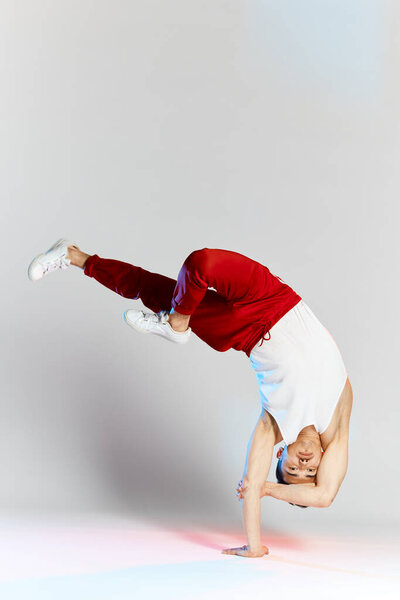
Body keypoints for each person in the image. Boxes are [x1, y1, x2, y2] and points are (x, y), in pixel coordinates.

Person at [28, 238, 353, 558]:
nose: (304, 466)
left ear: (279, 454)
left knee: (151, 289)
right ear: (322, 461)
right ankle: (176, 323)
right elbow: (324, 496)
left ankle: (73, 256)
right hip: (273, 297)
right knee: (202, 263)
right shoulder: (336, 424)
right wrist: (282, 487)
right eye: (309, 471)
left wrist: (256, 536)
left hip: (243, 332)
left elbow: (253, 485)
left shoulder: (272, 424)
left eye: (292, 469)